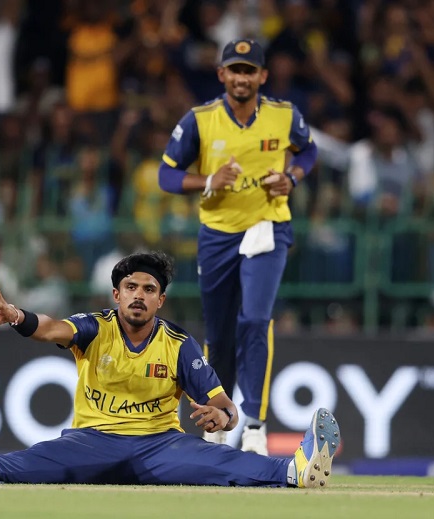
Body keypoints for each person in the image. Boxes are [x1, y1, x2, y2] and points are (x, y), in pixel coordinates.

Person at [0, 252, 339, 487]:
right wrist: (17, 316)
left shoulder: (178, 344)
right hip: (93, 440)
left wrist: (224, 417)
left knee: (223, 463)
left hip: (160, 446)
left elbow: (224, 406)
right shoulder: (95, 327)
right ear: (117, 294)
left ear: (160, 300)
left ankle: (297, 470)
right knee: (48, 458)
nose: (138, 296)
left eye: (149, 289)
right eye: (131, 288)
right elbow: (51, 328)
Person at [157, 39, 319, 454]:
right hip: (217, 234)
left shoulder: (284, 115)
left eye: (249, 70)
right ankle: (218, 421)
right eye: (235, 70)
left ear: (263, 76)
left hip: (267, 227)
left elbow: (308, 150)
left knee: (255, 320)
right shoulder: (201, 120)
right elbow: (166, 175)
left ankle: (255, 427)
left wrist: (292, 178)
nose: (241, 78)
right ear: (221, 74)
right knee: (219, 334)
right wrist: (209, 181)